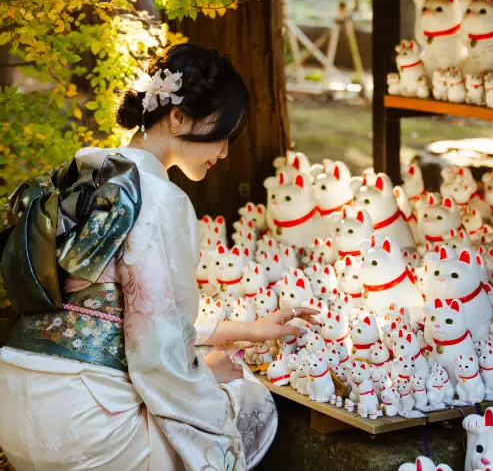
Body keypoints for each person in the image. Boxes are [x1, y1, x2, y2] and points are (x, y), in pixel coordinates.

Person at [0, 44, 316, 471]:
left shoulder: (80, 176)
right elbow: (156, 345)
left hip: (15, 400)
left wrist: (247, 330)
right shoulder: (161, 198)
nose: (223, 152)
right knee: (246, 398)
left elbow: (110, 310)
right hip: (89, 427)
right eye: (221, 134)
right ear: (179, 117)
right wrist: (207, 376)